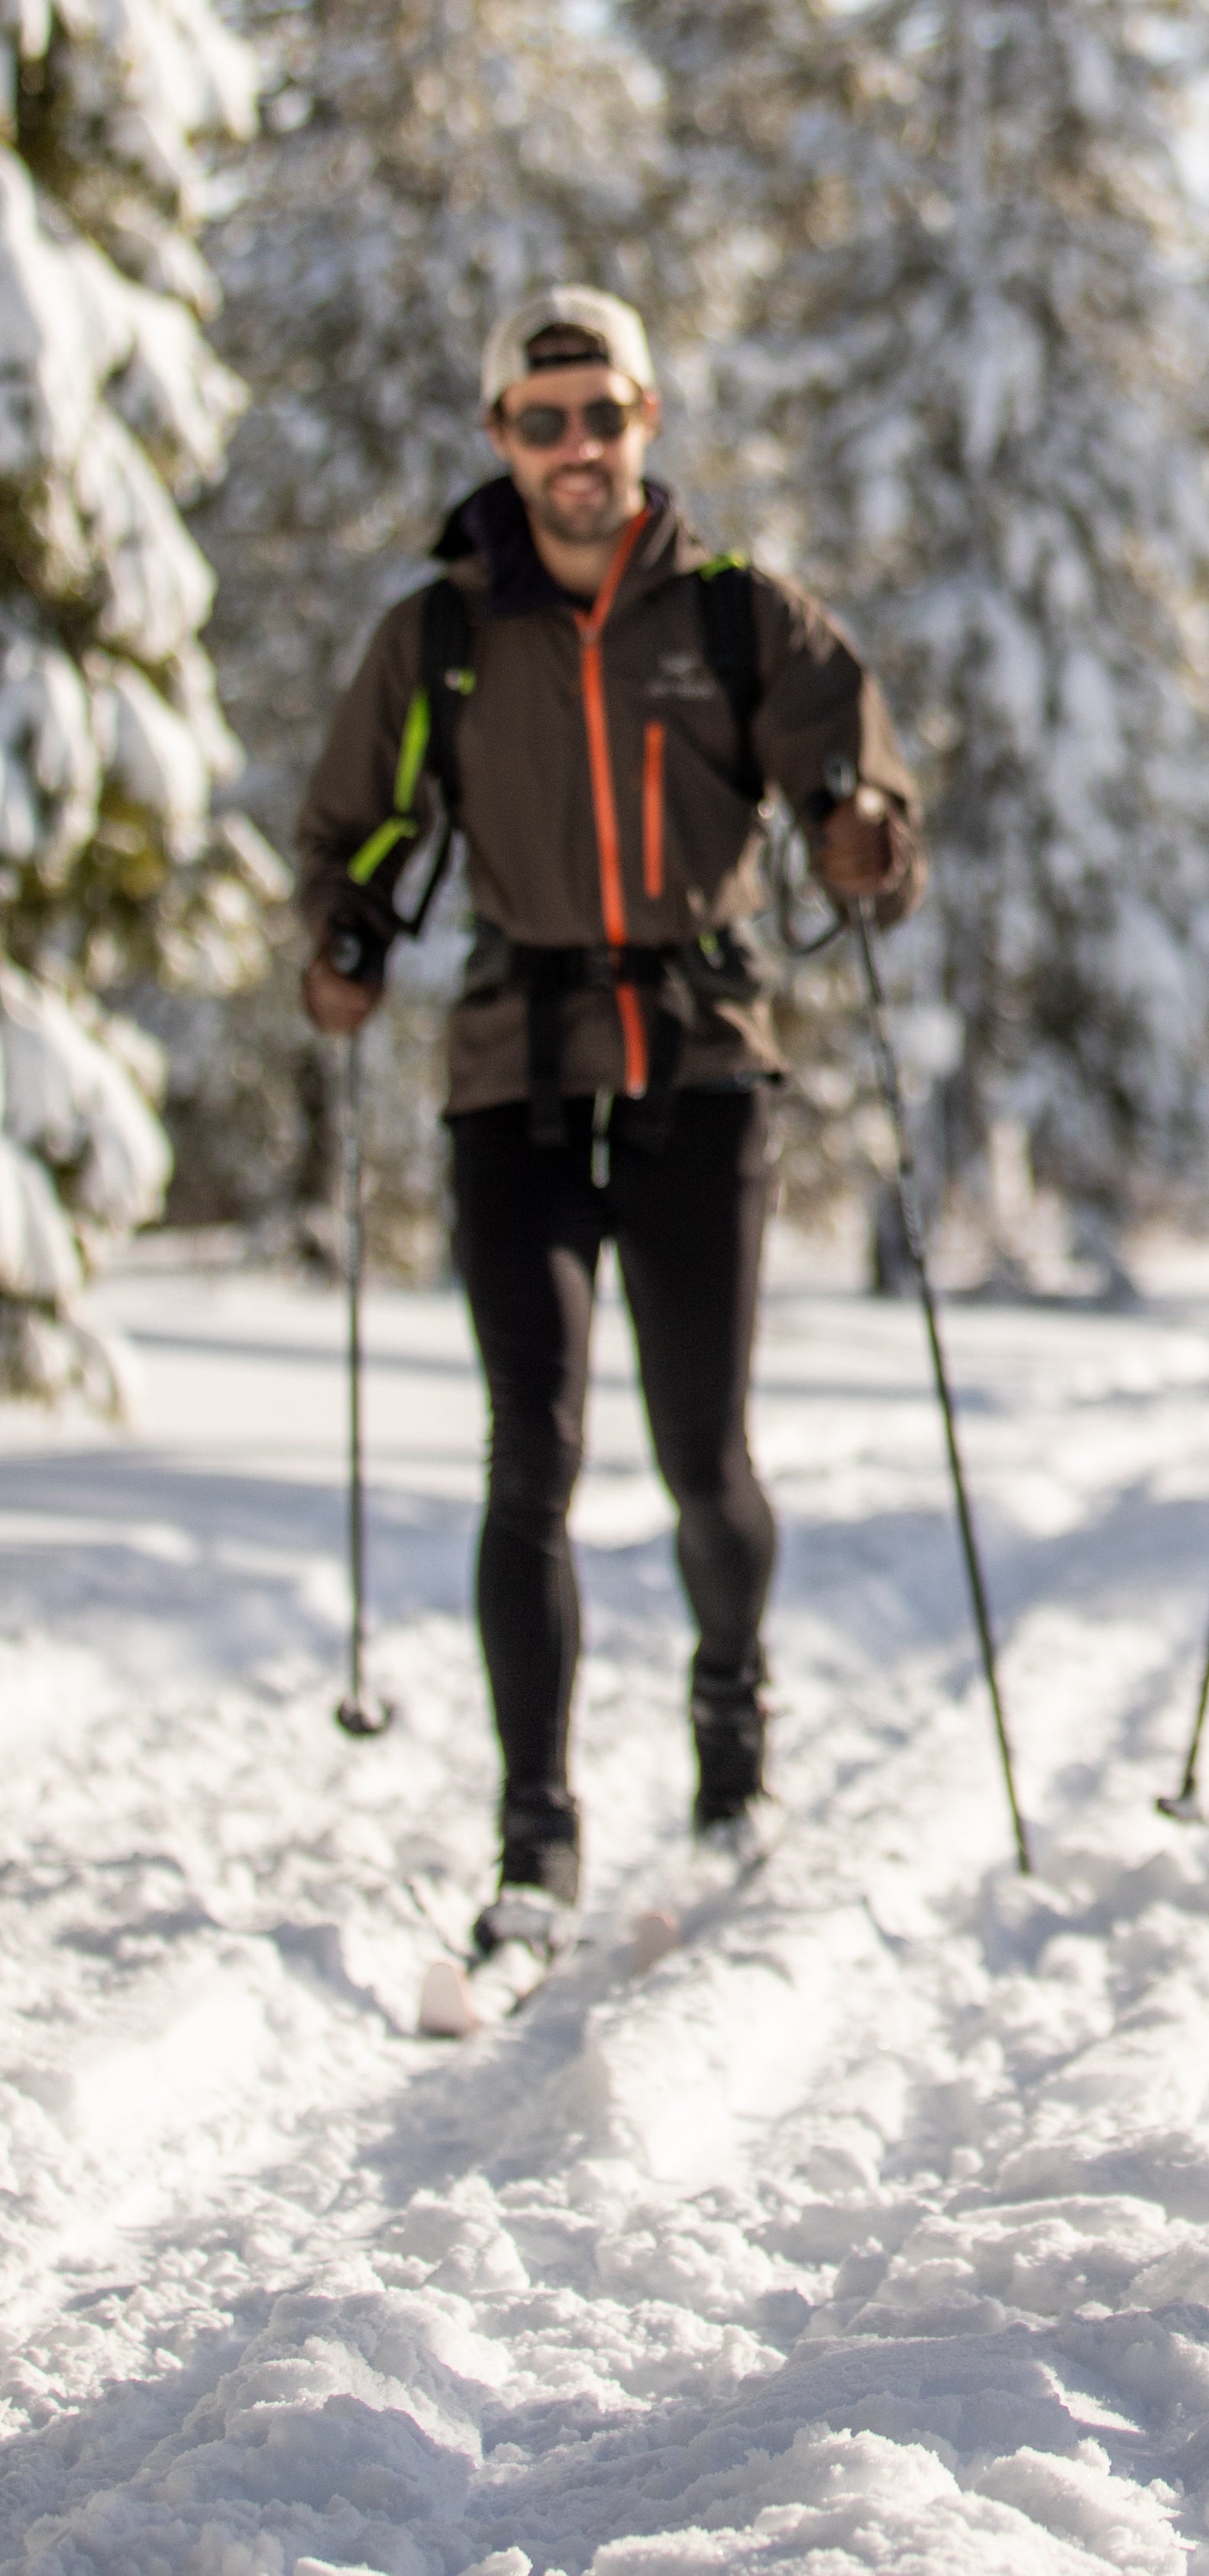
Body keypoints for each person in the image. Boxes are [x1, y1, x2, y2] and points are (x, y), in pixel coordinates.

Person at [296, 283, 924, 1969]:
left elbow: (864, 799)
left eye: (606, 415)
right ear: (501, 437)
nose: (579, 450)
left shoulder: (735, 617)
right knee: (533, 1452)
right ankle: (538, 1832)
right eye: (543, 419)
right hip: (515, 1062)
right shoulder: (435, 635)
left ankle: (731, 1729)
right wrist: (343, 938)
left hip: (701, 1052)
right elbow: (346, 830)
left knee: (700, 1453)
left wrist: (863, 839)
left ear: (648, 421)